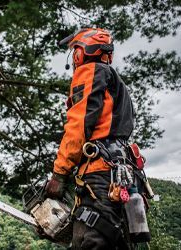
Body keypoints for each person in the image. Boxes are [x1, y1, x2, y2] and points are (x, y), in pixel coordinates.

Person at [45, 28, 135, 249]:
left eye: (75, 52)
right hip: (121, 174)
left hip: (99, 175)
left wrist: (59, 172)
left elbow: (78, 126)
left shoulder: (90, 71)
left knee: (90, 239)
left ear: (81, 52)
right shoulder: (117, 84)